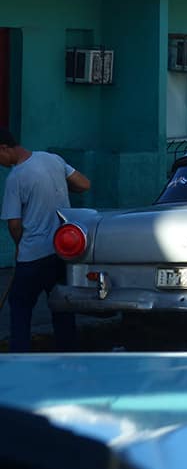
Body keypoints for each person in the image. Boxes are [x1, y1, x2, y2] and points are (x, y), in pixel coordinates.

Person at [0, 128, 91, 352]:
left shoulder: (16, 177)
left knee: (20, 307)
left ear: (4, 148)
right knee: (61, 306)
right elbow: (83, 184)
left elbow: (13, 223)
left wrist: (19, 245)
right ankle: (67, 356)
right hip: (61, 251)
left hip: (32, 255)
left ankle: (19, 360)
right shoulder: (53, 160)